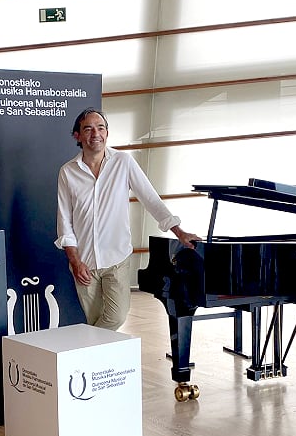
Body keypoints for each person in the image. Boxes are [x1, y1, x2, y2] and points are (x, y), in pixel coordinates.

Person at [55, 107, 201, 331]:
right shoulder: (67, 172)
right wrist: (75, 261)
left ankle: (86, 351)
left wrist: (179, 232)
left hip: (117, 259)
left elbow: (151, 199)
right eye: (88, 129)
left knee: (115, 318)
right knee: (95, 322)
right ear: (78, 135)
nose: (96, 133)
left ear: (107, 133)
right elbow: (65, 221)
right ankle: (102, 365)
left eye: (101, 127)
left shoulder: (123, 162)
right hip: (84, 262)